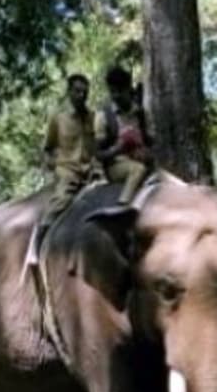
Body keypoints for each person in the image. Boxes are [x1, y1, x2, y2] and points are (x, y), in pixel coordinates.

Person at [27, 73, 102, 267]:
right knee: (61, 202)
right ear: (69, 92)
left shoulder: (93, 118)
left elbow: (97, 147)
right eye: (77, 91)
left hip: (91, 171)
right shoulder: (58, 119)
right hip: (67, 171)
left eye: (85, 92)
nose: (81, 95)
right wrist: (53, 166)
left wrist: (96, 166)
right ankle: (36, 243)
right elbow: (47, 148)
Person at [94, 66, 151, 205]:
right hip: (116, 166)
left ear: (128, 89)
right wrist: (117, 149)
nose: (116, 96)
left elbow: (149, 142)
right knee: (138, 170)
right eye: (113, 91)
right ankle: (124, 203)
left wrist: (146, 153)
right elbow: (98, 154)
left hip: (141, 161)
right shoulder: (104, 116)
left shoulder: (140, 114)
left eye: (120, 91)